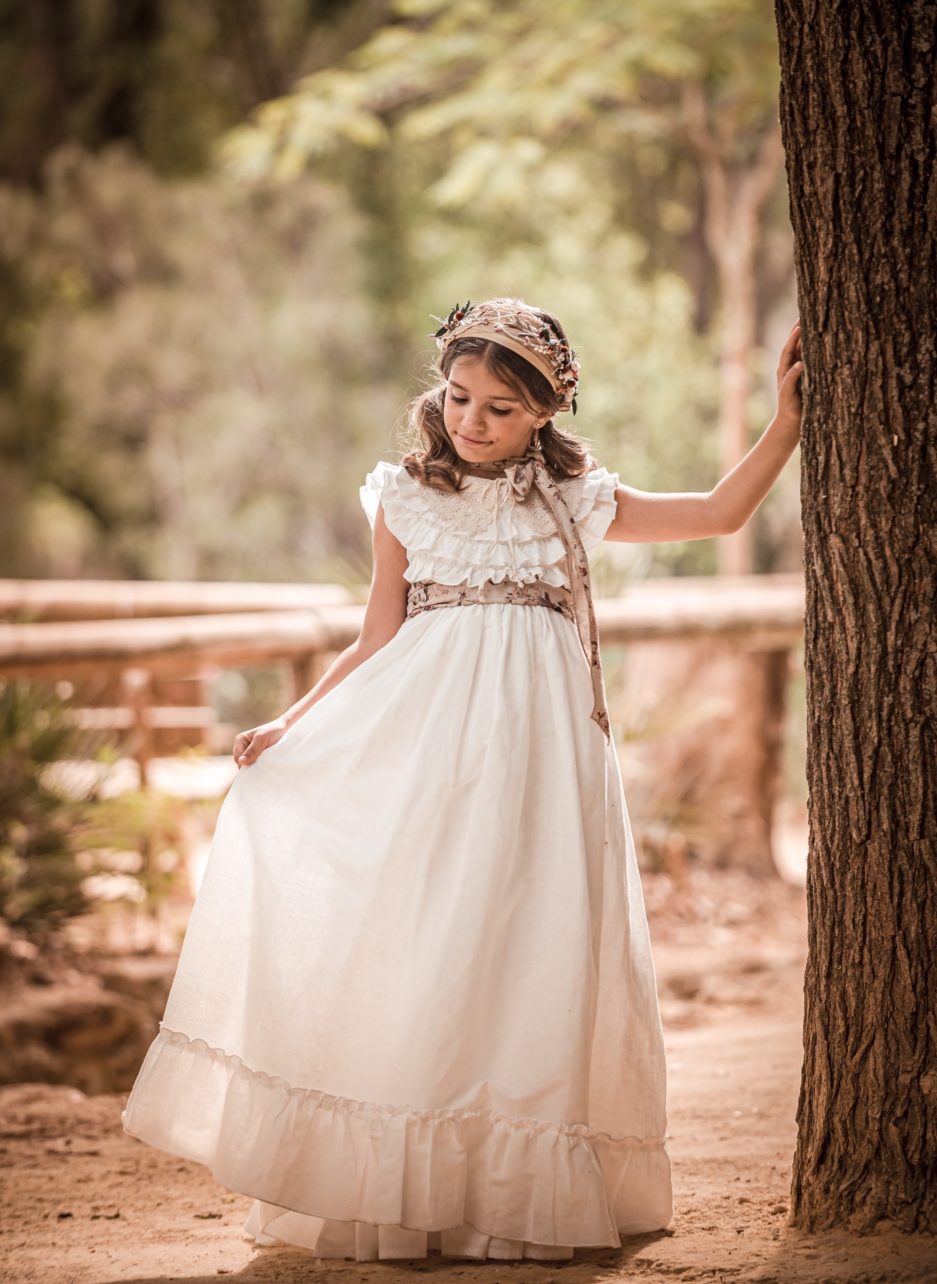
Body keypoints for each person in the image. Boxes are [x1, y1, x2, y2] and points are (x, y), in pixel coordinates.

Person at [120, 296, 804, 1263]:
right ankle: (405, 1181)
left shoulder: (577, 499)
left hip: (542, 749)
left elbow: (717, 513)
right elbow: (376, 633)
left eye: (497, 408)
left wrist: (785, 423)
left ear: (545, 414)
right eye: (457, 397)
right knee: (429, 928)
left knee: (531, 935)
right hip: (428, 739)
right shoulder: (402, 495)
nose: (470, 421)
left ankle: (511, 1188)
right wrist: (291, 721)